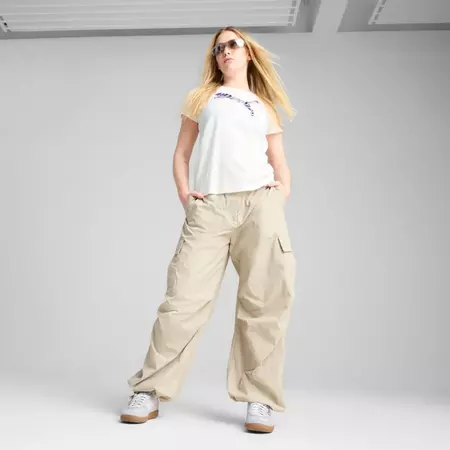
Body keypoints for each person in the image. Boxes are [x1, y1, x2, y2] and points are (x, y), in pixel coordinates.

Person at [120, 26, 296, 434]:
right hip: (211, 207)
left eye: (233, 44)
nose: (225, 51)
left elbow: (279, 160)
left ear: (248, 52)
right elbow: (182, 153)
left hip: (259, 204)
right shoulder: (202, 98)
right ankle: (148, 390)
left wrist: (280, 195)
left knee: (264, 302)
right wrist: (186, 196)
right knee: (183, 300)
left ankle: (259, 399)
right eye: (218, 48)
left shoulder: (265, 106)